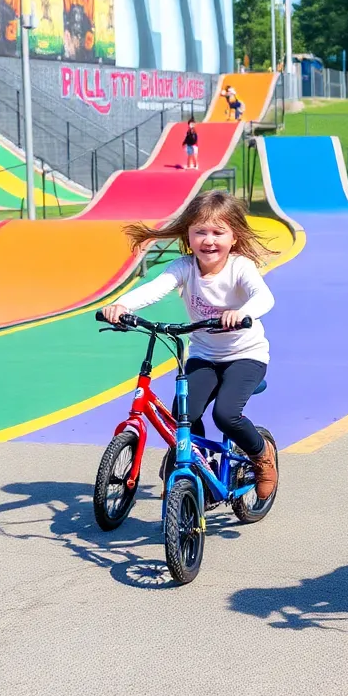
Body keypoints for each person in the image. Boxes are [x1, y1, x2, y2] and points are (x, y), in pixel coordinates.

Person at [100, 191, 279, 498]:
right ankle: (200, 466)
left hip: (245, 355)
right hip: (204, 355)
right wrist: (121, 305)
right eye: (200, 232)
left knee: (225, 414)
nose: (209, 241)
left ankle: (262, 456)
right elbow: (154, 289)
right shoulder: (184, 267)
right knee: (184, 414)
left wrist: (242, 313)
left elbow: (264, 297)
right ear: (188, 236)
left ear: (234, 237)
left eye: (218, 233)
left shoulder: (240, 267)